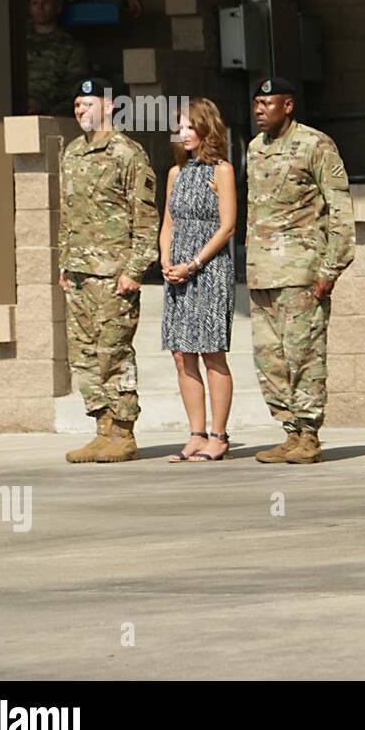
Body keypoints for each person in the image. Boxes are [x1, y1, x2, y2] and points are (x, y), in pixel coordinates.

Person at [247, 76, 355, 465]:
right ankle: (289, 430)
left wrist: (332, 266)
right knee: (269, 359)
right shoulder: (255, 149)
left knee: (304, 356)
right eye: (256, 103)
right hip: (262, 273)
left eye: (268, 103)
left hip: (301, 272)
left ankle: (308, 435)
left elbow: (340, 208)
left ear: (288, 105)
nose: (260, 110)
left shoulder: (315, 144)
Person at [59, 78, 158, 464]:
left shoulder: (127, 153)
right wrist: (65, 264)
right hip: (80, 273)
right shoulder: (72, 153)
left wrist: (134, 271)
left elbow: (145, 220)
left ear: (110, 107)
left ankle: (123, 432)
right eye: (78, 105)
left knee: (113, 353)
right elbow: (67, 215)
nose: (82, 111)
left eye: (89, 104)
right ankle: (102, 429)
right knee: (83, 355)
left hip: (114, 274)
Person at [160, 98, 237, 463]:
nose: (184, 133)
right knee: (181, 354)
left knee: (211, 353)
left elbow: (227, 226)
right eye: (180, 126)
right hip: (177, 272)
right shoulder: (176, 173)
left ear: (206, 128)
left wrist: (193, 263)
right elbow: (168, 224)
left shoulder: (222, 170)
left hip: (208, 269)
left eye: (191, 126)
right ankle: (196, 433)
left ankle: (219, 436)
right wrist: (166, 260)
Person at [25, 0, 88, 117]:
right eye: (35, 3)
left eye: (46, 3)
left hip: (53, 106)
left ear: (58, 7)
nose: (40, 8)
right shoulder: (17, 42)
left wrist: (42, 101)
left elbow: (75, 84)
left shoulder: (71, 44)